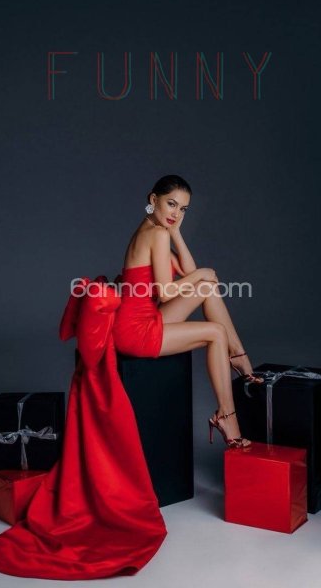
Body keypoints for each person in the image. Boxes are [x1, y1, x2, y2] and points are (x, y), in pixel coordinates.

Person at [113, 174, 264, 448]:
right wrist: (202, 273)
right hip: (136, 331)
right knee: (215, 332)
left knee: (206, 287)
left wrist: (176, 233)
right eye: (171, 204)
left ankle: (238, 356)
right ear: (153, 199)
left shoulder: (154, 228)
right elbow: (168, 291)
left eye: (183, 209)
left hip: (145, 318)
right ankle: (227, 416)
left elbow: (189, 272)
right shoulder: (155, 234)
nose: (176, 213)